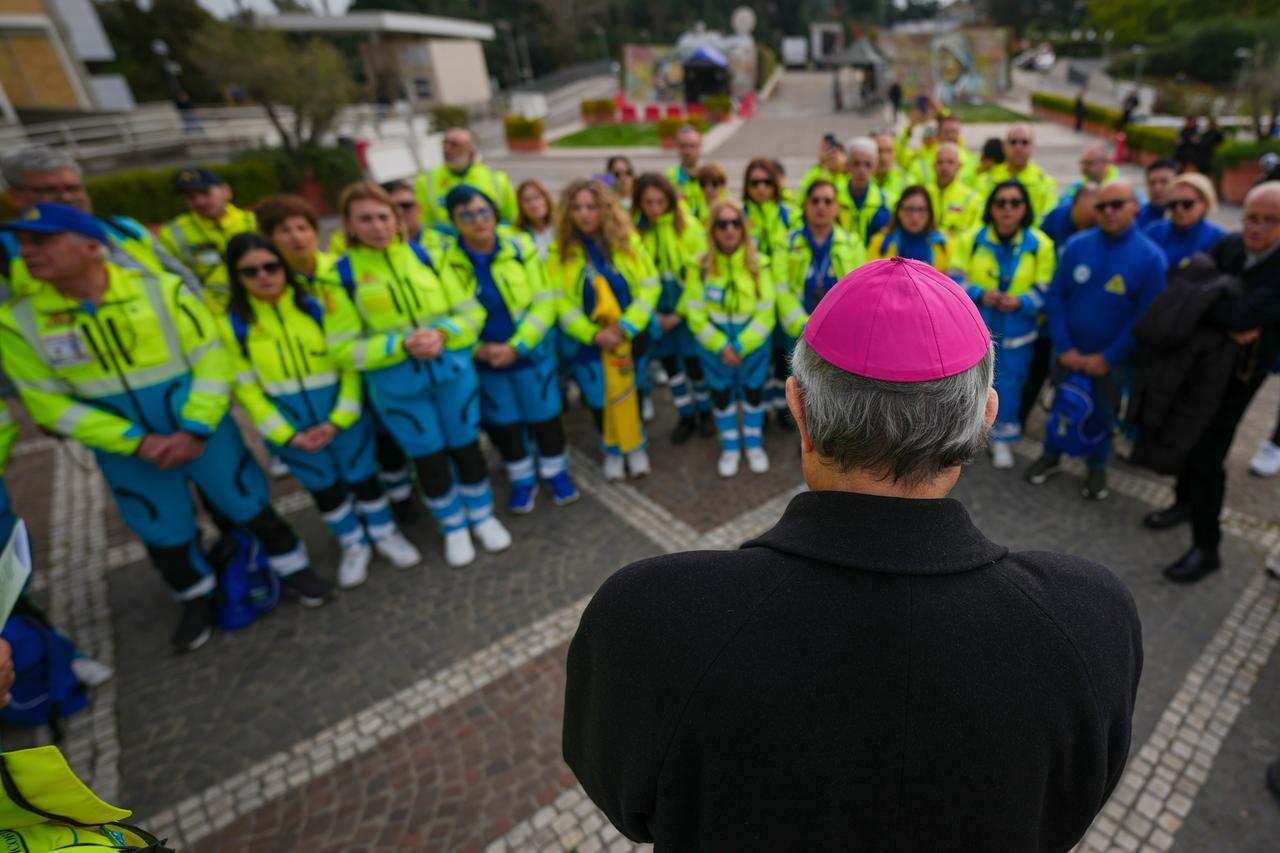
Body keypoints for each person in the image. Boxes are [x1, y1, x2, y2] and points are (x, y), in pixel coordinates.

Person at [564, 258, 1142, 850]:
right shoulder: (1091, 618)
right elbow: (1072, 807)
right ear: (985, 417)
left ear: (800, 410)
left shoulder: (648, 618)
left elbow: (623, 800)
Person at [0, 204, 331, 653]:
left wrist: (195, 426)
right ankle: (195, 598)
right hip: (129, 450)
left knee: (246, 500)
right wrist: (136, 441)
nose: (27, 252)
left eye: (44, 240)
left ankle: (294, 569)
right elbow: (46, 402)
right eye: (24, 241)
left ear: (92, 246)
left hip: (202, 430)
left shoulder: (161, 290)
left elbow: (212, 356)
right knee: (161, 525)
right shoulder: (17, 319)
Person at [325, 181, 511, 568]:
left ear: (397, 219)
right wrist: (399, 346)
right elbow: (342, 348)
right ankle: (452, 525)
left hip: (453, 375)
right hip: (399, 389)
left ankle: (481, 514)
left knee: (466, 447)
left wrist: (443, 333)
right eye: (366, 219)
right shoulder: (340, 276)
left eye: (384, 217)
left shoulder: (430, 256)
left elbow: (472, 314)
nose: (377, 226)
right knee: (428, 459)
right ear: (349, 224)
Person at [220, 233, 421, 589]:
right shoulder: (235, 325)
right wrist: (285, 434)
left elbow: (347, 362)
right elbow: (245, 388)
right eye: (250, 272)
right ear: (237, 278)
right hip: (290, 424)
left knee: (362, 477)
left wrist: (339, 418)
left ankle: (384, 532)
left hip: (340, 415)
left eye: (271, 266)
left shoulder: (317, 306)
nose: (264, 276)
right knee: (324, 488)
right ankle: (352, 542)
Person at [1142, 182, 1280, 582]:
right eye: (1253, 217)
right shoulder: (1233, 246)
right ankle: (1184, 502)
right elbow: (1187, 286)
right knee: (1186, 435)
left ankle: (1207, 547)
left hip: (1240, 376)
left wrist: (1208, 304)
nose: (1257, 228)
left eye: (1270, 221)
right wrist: (1218, 307)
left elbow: (1239, 312)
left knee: (1207, 455)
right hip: (1201, 366)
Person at [256, 192, 419, 515]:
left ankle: (401, 497)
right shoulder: (273, 285)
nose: (296, 238)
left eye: (302, 228)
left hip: (368, 366)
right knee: (346, 451)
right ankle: (364, 508)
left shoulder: (340, 269)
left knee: (386, 439)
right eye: (284, 231)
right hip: (327, 382)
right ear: (270, 239)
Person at [1027, 180, 1167, 499]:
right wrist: (1064, 346)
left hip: (1112, 361)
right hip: (1068, 352)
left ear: (1136, 207)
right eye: (1102, 206)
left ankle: (1097, 465)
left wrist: (1109, 356)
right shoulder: (1078, 245)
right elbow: (1057, 297)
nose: (1108, 211)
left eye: (1117, 204)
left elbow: (1144, 319)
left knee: (1105, 413)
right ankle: (1051, 455)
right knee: (1063, 404)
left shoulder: (1150, 258)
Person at [444, 185, 580, 513]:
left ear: (494, 214)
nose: (478, 221)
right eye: (466, 214)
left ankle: (555, 473)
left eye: (483, 212)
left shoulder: (521, 247)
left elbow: (545, 302)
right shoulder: (444, 262)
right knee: (505, 424)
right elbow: (444, 316)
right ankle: (522, 480)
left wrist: (517, 345)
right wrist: (478, 349)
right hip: (486, 363)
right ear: (453, 220)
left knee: (546, 418)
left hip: (531, 356)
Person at [549, 178, 659, 481]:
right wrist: (592, 333)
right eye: (578, 207)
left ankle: (636, 447)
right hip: (590, 345)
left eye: (592, 207)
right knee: (599, 400)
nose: (585, 214)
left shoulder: (628, 243)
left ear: (605, 209)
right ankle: (612, 450)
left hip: (629, 338)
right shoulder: (561, 253)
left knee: (630, 394)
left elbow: (649, 287)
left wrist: (627, 326)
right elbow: (560, 302)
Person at [949, 180, 1056, 469]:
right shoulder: (971, 238)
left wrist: (1021, 301)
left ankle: (1003, 440)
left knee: (1011, 385)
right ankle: (961, 438)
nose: (1008, 209)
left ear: (1025, 208)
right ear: (991, 207)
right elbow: (955, 279)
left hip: (1018, 332)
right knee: (969, 384)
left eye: (1015, 203)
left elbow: (1047, 289)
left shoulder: (1040, 244)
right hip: (976, 329)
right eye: (1001, 203)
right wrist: (981, 294)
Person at [0, 147, 201, 296]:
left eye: (73, 188)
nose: (67, 197)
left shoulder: (125, 228)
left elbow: (185, 280)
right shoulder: (4, 250)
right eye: (49, 190)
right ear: (15, 196)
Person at [680, 200, 776, 477]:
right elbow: (695, 313)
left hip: (753, 346)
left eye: (735, 223)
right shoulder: (700, 267)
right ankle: (731, 448)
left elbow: (767, 309)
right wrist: (722, 346)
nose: (729, 229)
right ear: (713, 230)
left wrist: (742, 344)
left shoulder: (760, 264)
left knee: (753, 395)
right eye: (722, 224)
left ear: (743, 229)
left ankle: (755, 445)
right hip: (715, 348)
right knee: (721, 397)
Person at [633, 172, 712, 443]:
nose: (654, 209)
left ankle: (705, 412)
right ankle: (686, 414)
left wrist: (678, 313)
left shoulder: (689, 228)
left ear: (669, 200)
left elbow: (696, 276)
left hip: (684, 310)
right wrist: (653, 314)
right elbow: (636, 276)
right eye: (648, 203)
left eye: (660, 202)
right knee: (671, 367)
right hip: (655, 310)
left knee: (694, 365)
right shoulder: (638, 232)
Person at [158, 167, 258, 312]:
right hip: (211, 313)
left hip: (260, 304)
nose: (200, 202)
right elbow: (171, 279)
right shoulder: (172, 234)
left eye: (205, 193)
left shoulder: (253, 222)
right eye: (190, 197)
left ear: (226, 191)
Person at [777, 180, 867, 341]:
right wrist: (805, 327)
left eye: (827, 201)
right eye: (815, 200)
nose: (821, 206)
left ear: (836, 207)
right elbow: (782, 291)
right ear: (806, 205)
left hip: (840, 333)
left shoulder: (853, 243)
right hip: (798, 336)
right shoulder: (785, 244)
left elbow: (860, 292)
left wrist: (836, 327)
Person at [416, 128, 518, 233]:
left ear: (471, 152)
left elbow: (512, 219)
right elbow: (422, 225)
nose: (446, 149)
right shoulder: (425, 181)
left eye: (454, 145)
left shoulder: (497, 179)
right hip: (446, 246)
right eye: (444, 143)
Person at [976, 125, 1058, 227]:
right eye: (1013, 142)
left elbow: (1047, 221)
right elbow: (979, 218)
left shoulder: (1046, 182)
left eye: (1024, 142)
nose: (1018, 148)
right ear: (1004, 146)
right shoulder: (985, 180)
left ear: (1032, 146)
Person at [1144, 173, 1227, 270]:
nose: (1179, 209)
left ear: (1205, 204)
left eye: (1187, 204)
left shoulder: (1219, 238)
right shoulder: (1154, 232)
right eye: (1173, 204)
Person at [868, 185, 950, 270]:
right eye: (909, 209)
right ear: (899, 211)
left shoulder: (944, 243)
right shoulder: (880, 242)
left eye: (921, 209)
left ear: (930, 213)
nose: (915, 217)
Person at [742, 158, 795, 269]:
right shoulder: (737, 218)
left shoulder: (791, 215)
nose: (761, 188)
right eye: (755, 183)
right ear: (747, 186)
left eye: (767, 182)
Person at [837, 137, 892, 245]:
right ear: (847, 166)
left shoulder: (887, 202)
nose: (862, 170)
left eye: (868, 164)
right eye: (856, 164)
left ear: (875, 167)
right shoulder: (832, 198)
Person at [926, 142, 982, 239]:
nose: (945, 167)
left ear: (959, 166)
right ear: (933, 166)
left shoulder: (972, 198)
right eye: (940, 162)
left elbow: (976, 231)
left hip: (958, 252)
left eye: (950, 162)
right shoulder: (923, 194)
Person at [1040, 182, 1100, 251]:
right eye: (1081, 223)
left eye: (1089, 225)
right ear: (1073, 205)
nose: (1082, 231)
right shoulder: (1056, 217)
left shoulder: (1105, 221)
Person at [667, 125, 707, 222]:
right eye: (683, 146)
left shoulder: (712, 177)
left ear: (700, 146)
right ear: (677, 147)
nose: (688, 151)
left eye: (692, 146)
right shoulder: (668, 178)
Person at [515, 180, 556, 261]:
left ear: (546, 199)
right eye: (527, 200)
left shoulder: (563, 229)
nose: (533, 205)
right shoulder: (517, 236)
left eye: (537, 198)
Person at [797, 133, 846, 198]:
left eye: (835, 152)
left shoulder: (852, 177)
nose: (831, 155)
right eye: (828, 153)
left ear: (845, 158)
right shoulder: (816, 174)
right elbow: (800, 195)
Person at [1137, 159, 1178, 229]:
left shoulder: (1187, 217)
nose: (1157, 188)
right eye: (1152, 183)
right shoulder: (1135, 217)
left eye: (1164, 182)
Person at [871, 131, 906, 207]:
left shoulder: (907, 182)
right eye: (879, 151)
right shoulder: (858, 181)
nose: (884, 157)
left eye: (889, 151)